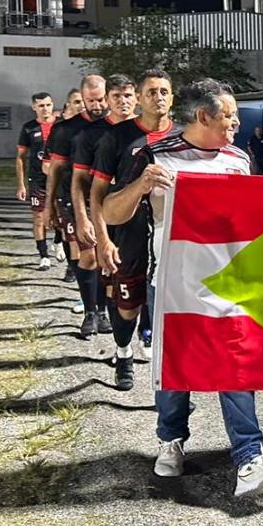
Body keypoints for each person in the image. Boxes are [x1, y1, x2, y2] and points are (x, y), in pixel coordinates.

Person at [103, 78, 263, 497]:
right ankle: (171, 439)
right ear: (204, 115)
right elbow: (112, 213)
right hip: (173, 281)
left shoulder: (239, 160)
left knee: (236, 365)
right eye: (229, 115)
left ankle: (249, 458)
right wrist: (140, 186)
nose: (236, 122)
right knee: (176, 372)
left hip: (230, 283)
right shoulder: (152, 155)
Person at [92, 69, 174, 387]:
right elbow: (98, 191)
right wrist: (102, 238)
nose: (158, 97)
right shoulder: (117, 137)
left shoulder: (183, 136)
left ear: (172, 97)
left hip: (168, 232)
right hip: (128, 232)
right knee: (128, 307)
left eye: (164, 91)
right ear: (139, 98)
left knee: (170, 304)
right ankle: (123, 350)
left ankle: (169, 379)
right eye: (151, 92)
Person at [69, 74, 135, 343]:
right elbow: (78, 181)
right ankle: (90, 311)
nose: (122, 101)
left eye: (127, 95)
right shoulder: (90, 134)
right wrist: (82, 218)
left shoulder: (143, 130)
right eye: (116, 96)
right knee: (90, 259)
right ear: (108, 100)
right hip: (96, 208)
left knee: (119, 268)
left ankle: (112, 319)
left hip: (131, 213)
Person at [45, 75, 109, 339]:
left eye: (102, 99)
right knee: (89, 256)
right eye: (91, 101)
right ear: (82, 100)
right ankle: (90, 312)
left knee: (107, 259)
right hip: (76, 201)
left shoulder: (117, 126)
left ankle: (104, 311)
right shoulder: (66, 130)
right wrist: (49, 205)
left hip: (109, 200)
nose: (97, 105)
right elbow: (56, 170)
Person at [16, 91, 55, 269]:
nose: (45, 109)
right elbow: (21, 157)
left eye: (47, 105)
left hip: (60, 179)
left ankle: (61, 242)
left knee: (61, 217)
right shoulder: (29, 128)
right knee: (38, 217)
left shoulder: (62, 125)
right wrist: (21, 185)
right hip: (37, 180)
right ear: (34, 107)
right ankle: (44, 255)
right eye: (41, 106)